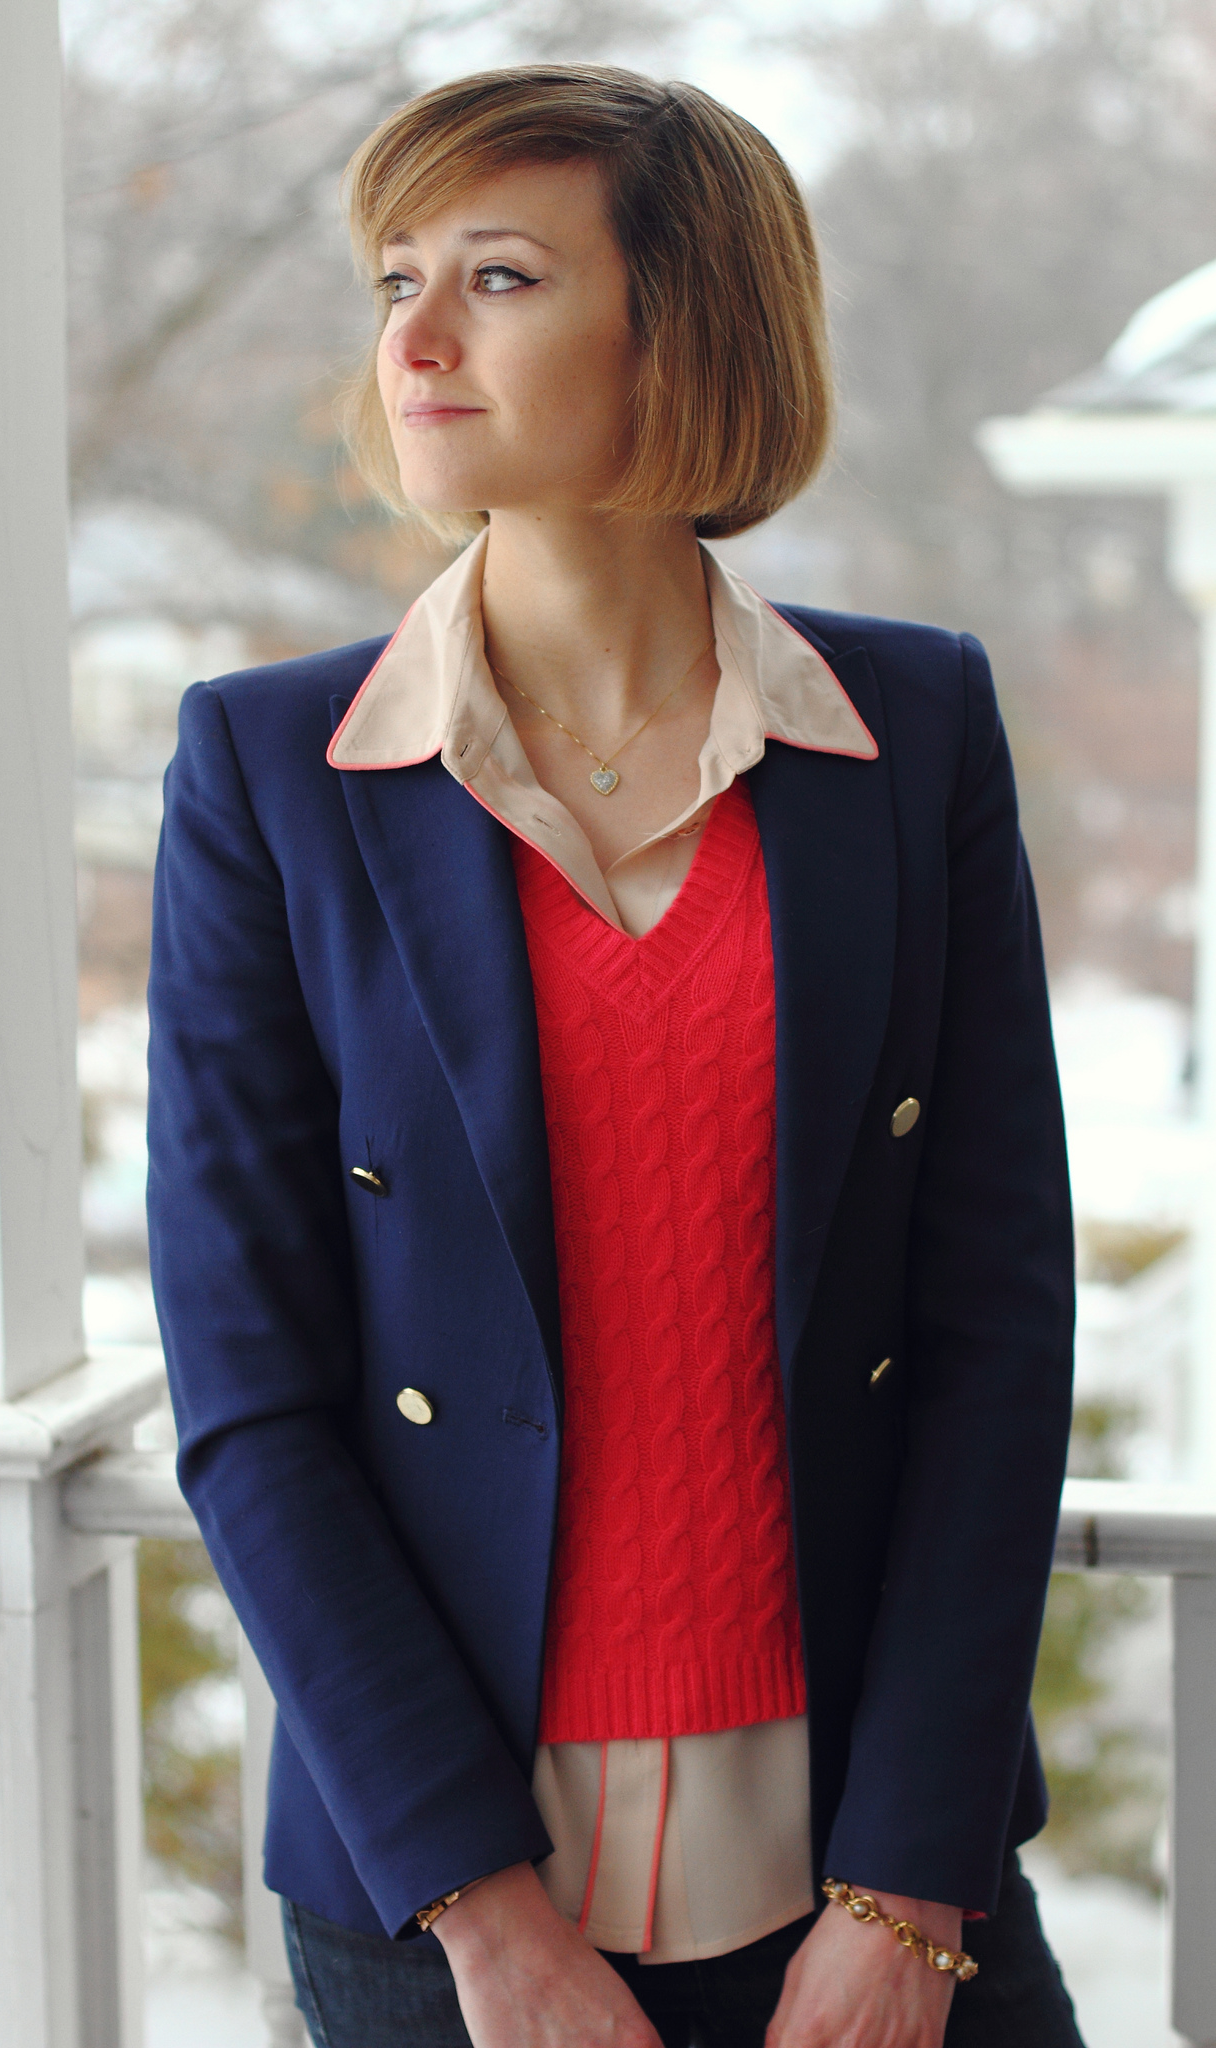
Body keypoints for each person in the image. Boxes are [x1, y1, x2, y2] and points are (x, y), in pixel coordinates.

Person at [146, 64, 1081, 2048]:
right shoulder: (267, 774)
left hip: (873, 1864)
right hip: (444, 1897)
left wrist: (909, 1893)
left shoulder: (909, 741)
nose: (408, 340)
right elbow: (248, 1389)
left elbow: (993, 1328)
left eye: (495, 277)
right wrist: (485, 1923)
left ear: (686, 327)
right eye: (392, 279)